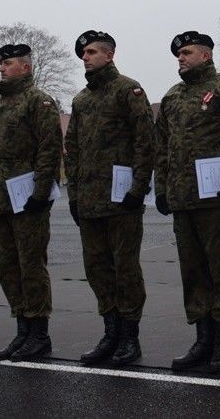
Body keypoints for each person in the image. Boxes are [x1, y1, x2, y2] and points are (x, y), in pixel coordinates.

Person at [154, 31, 220, 373]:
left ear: (207, 55)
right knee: (193, 272)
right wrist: (163, 188)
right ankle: (203, 338)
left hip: (217, 199)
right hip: (184, 202)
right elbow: (162, 147)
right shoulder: (172, 97)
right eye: (178, 53)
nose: (180, 58)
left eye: (187, 52)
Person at [65, 31, 154, 368]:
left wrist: (138, 188)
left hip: (121, 201)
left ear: (110, 55)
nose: (85, 58)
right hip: (90, 201)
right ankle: (111, 332)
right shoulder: (81, 100)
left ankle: (129, 337)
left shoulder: (128, 90)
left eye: (91, 52)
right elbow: (71, 150)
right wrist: (74, 194)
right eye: (83, 53)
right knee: (98, 270)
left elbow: (146, 141)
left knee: (125, 269)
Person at [0, 43, 63, 362]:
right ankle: (23, 330)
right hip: (1, 201)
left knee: (31, 267)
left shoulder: (38, 101)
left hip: (29, 200)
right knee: (8, 269)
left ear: (25, 68)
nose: (2, 68)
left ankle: (39, 334)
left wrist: (41, 192)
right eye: (1, 64)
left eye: (8, 63)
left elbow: (49, 148)